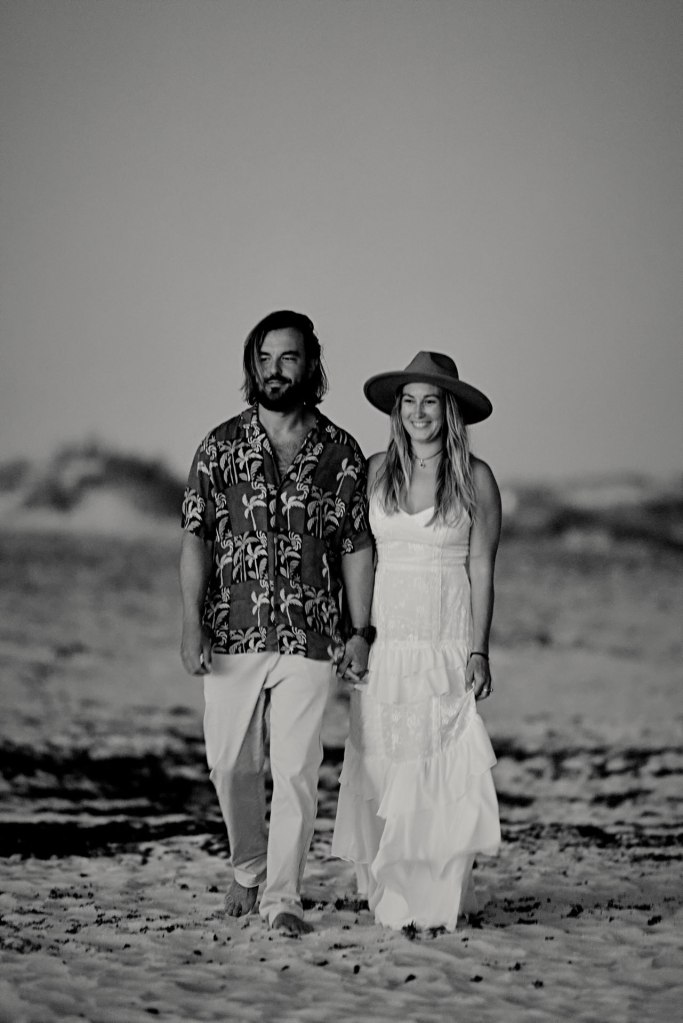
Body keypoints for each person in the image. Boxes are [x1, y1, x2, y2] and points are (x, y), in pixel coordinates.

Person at [180, 310, 374, 937]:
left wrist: (358, 629)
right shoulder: (219, 446)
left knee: (294, 769)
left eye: (287, 358)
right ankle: (249, 865)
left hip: (313, 631)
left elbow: (355, 546)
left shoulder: (341, 454)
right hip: (231, 629)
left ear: (310, 364)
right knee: (227, 762)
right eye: (264, 358)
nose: (273, 370)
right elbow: (196, 540)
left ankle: (282, 897)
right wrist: (190, 622)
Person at [331, 350, 501, 931]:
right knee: (384, 761)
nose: (419, 412)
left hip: (445, 642)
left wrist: (479, 651)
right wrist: (352, 635)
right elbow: (356, 557)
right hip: (387, 644)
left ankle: (434, 893)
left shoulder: (476, 478)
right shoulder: (377, 469)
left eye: (430, 400)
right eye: (409, 401)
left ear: (449, 409)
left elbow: (482, 567)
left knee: (438, 765)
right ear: (397, 409)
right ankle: (387, 888)